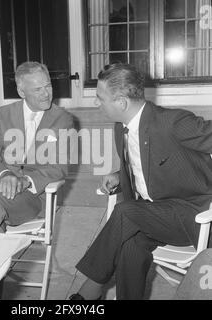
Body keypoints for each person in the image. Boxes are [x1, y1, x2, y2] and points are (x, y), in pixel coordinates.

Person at [70, 63, 212, 300]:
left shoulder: (172, 122)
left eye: (100, 98)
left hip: (193, 217)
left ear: (121, 102)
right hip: (153, 215)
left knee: (125, 211)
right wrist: (118, 174)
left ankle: (88, 292)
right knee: (129, 245)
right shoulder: (121, 127)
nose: (97, 103)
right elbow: (147, 161)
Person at [0, 61, 74, 232]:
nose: (46, 94)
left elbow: (59, 167)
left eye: (48, 86)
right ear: (21, 92)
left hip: (32, 196)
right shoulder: (1, 115)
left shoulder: (62, 119)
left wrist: (25, 181)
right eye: (37, 89)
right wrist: (5, 175)